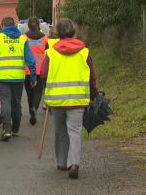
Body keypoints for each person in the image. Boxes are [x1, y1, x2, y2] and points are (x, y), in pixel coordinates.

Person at [40, 18, 98, 179]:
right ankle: (74, 164)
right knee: (75, 132)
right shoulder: (84, 51)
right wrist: (94, 94)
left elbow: (43, 74)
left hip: (57, 99)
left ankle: (62, 163)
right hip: (78, 99)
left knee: (60, 132)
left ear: (57, 33)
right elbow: (91, 77)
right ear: (74, 32)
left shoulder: (51, 52)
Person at [0, 17, 37, 141]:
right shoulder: (23, 39)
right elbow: (31, 60)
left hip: (3, 77)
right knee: (16, 102)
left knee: (5, 101)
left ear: (3, 26)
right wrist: (33, 76)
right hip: (18, 77)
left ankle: (6, 130)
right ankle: (16, 128)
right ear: (14, 26)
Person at [23, 17, 48, 125]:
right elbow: (47, 55)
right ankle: (34, 108)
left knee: (29, 92)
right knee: (38, 92)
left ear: (28, 26)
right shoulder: (44, 39)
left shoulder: (23, 38)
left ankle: (30, 109)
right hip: (40, 69)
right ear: (39, 26)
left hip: (27, 69)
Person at [42, 26, 60, 111]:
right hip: (59, 65)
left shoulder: (47, 41)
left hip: (49, 65)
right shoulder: (60, 41)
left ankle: (48, 103)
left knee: (48, 86)